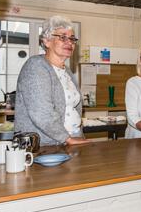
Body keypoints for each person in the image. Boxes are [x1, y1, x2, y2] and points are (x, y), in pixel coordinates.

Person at [15, 16, 90, 146]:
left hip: (71, 140)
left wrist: (76, 135)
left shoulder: (67, 71)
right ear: (47, 41)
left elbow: (72, 109)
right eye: (62, 37)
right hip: (44, 145)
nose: (69, 42)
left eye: (72, 38)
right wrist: (67, 138)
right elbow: (42, 113)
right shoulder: (36, 66)